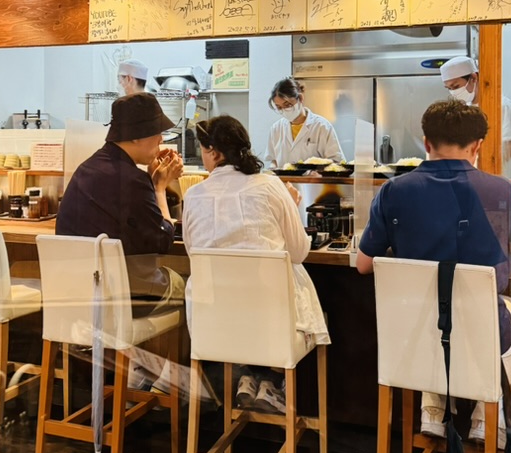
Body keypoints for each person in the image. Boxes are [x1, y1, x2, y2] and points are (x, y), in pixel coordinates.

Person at [356, 99, 511, 447]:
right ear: (477, 146)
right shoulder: (500, 190)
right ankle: (487, 411)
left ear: (426, 142)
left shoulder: (393, 191)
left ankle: (432, 410)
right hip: (481, 341)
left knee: (434, 313)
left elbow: (363, 264)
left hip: (413, 343)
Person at [182, 115, 330, 414]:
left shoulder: (194, 195)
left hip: (214, 328)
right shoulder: (270, 186)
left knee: (245, 311)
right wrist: (292, 208)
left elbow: (192, 253)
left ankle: (252, 378)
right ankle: (271, 382)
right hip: (271, 328)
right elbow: (299, 252)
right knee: (297, 302)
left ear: (214, 153)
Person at [56, 93, 184, 308]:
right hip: (121, 299)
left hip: (77, 294)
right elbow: (162, 242)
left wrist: (151, 182)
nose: (161, 140)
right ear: (136, 136)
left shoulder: (87, 167)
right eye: (157, 132)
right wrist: (159, 188)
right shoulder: (133, 180)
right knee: (185, 284)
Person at [439, 55, 511, 178]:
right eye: (449, 88)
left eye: (456, 86)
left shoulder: (502, 106)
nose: (453, 92)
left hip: (494, 179)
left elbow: (507, 150)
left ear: (473, 78)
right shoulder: (465, 108)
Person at [263, 76, 342, 169]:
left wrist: (318, 172)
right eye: (279, 107)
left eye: (287, 105)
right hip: (283, 178)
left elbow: (336, 161)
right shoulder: (276, 128)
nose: (284, 110)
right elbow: (274, 160)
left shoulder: (321, 126)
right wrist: (271, 170)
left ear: (300, 98)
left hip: (314, 178)